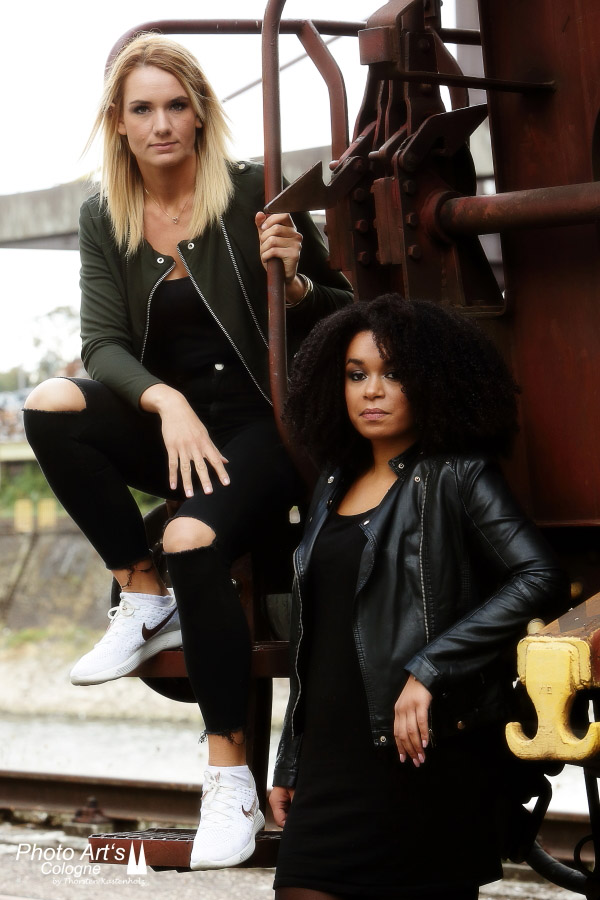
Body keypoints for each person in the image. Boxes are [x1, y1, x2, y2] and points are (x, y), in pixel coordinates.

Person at [23, 33, 351, 871]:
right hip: (174, 427)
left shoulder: (254, 192)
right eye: (142, 109)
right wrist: (163, 400)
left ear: (201, 114)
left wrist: (297, 282)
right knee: (51, 405)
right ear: (118, 122)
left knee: (193, 538)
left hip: (265, 426)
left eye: (176, 105)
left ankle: (228, 780)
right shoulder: (106, 215)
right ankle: (142, 594)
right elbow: (101, 344)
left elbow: (349, 313)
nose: (161, 124)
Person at [269, 295, 569, 900]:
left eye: (394, 373)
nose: (372, 391)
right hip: (330, 761)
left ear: (431, 381)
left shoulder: (458, 476)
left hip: (420, 755)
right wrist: (290, 759)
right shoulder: (332, 482)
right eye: (357, 375)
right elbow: (316, 641)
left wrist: (431, 667)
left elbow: (540, 577)